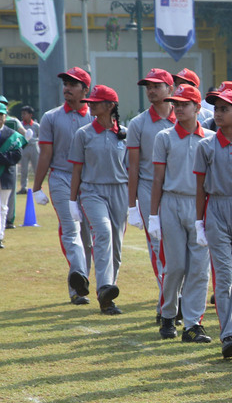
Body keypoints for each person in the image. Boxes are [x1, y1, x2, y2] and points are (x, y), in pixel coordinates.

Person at [149, 84, 214, 344]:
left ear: (198, 108)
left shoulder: (210, 138)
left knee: (199, 268)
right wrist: (153, 215)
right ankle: (167, 314)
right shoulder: (164, 137)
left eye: (185, 104)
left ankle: (193, 324)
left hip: (201, 206)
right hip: (173, 203)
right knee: (175, 265)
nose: (178, 108)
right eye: (175, 104)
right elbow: (157, 179)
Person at [195, 87, 232, 359]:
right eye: (216, 109)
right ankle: (229, 333)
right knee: (225, 276)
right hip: (216, 210)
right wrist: (199, 222)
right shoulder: (205, 146)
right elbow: (199, 188)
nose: (218, 114)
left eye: (224, 109)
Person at [32, 67, 94, 303]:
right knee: (71, 230)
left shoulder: (95, 117)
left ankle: (81, 282)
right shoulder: (51, 117)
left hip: (89, 182)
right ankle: (78, 286)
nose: (66, 88)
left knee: (87, 236)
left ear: (85, 90)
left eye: (73, 84)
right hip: (61, 178)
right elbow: (45, 154)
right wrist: (36, 187)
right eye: (65, 84)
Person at [68, 85, 128, 315]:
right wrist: (73, 201)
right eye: (89, 102)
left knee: (116, 247)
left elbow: (131, 169)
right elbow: (76, 170)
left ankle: (107, 295)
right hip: (92, 191)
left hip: (120, 192)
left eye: (95, 102)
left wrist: (134, 201)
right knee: (102, 233)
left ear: (110, 106)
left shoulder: (125, 132)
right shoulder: (83, 134)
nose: (90, 105)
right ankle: (104, 286)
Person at [126, 68, 176, 322]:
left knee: (182, 250)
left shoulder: (185, 117)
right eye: (148, 87)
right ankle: (167, 302)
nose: (151, 91)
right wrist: (132, 204)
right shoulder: (138, 124)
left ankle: (175, 302)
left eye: (157, 86)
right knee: (158, 247)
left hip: (181, 191)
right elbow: (133, 166)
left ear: (171, 89)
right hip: (148, 190)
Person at [0, 101, 25, 249]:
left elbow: (16, 156)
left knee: (2, 207)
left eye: (1, 114)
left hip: (5, 175)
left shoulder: (12, 135)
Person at [17, 105, 39, 194]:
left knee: (36, 168)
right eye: (22, 114)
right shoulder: (20, 125)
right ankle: (23, 187)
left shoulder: (36, 126)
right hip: (24, 148)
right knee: (24, 169)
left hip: (34, 147)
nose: (22, 116)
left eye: (24, 114)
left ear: (30, 115)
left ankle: (38, 187)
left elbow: (40, 136)